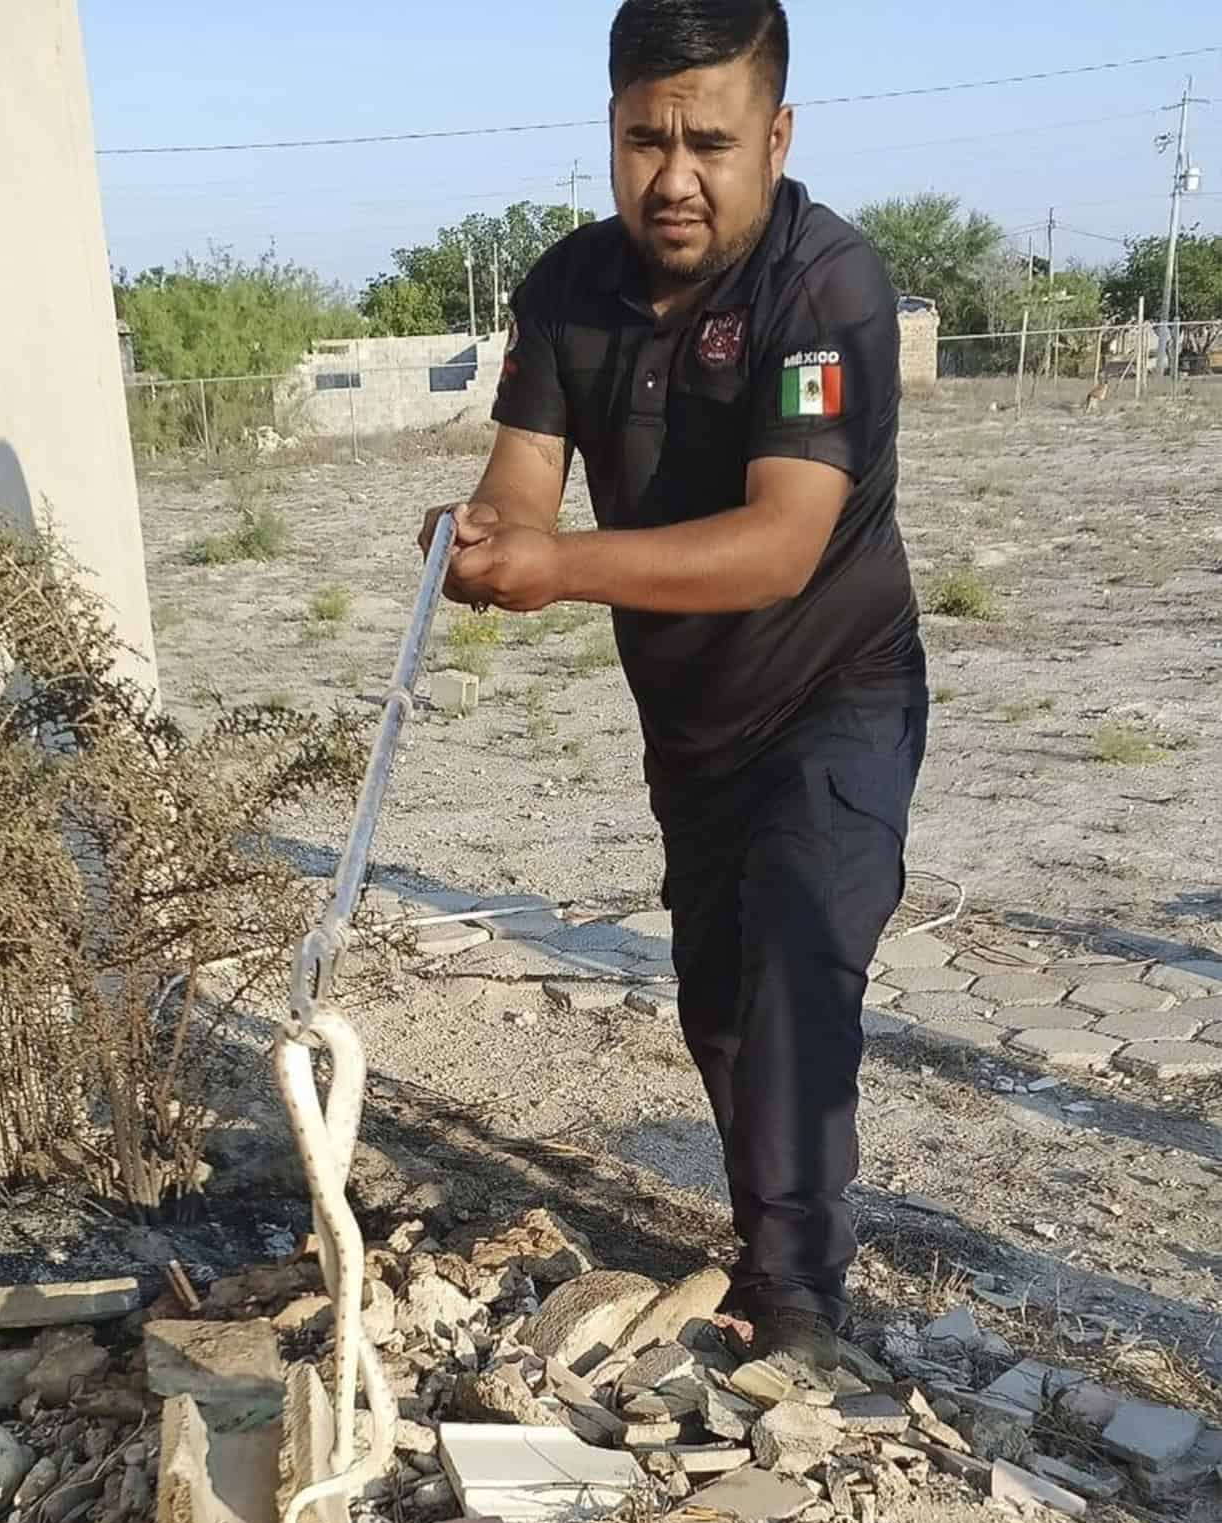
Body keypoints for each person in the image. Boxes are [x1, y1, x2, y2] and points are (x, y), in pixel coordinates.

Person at [419, 0, 926, 1369]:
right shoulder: (570, 292)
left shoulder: (825, 287)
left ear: (777, 134)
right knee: (719, 1002)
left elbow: (783, 540)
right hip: (692, 725)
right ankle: (774, 1231)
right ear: (611, 129)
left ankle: (802, 1305)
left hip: (837, 690)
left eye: (710, 141)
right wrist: (481, 543)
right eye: (647, 138)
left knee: (798, 967)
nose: (675, 176)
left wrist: (560, 564)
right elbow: (522, 475)